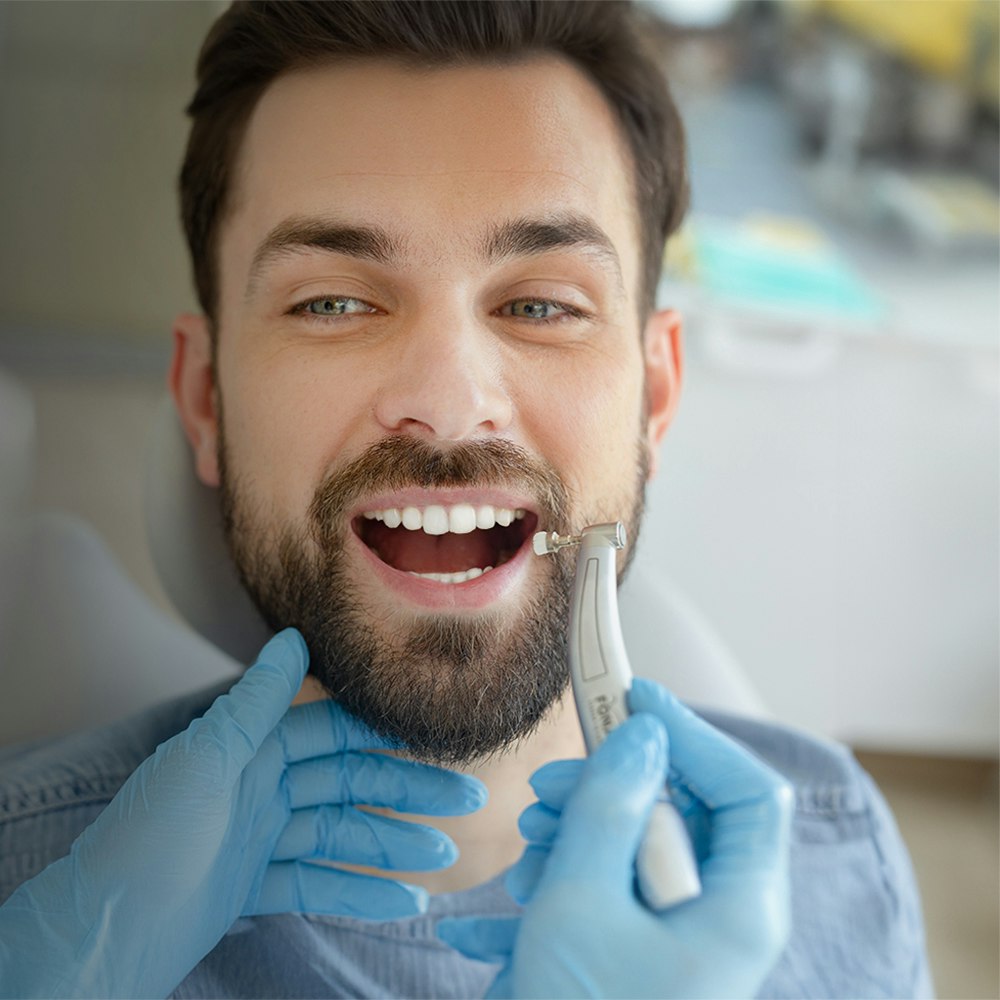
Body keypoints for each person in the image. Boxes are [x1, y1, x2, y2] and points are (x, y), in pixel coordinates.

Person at [0, 2, 931, 997]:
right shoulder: (41, 907)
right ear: (205, 398)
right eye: (333, 302)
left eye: (539, 305)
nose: (446, 405)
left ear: (655, 395)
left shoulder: (840, 870)